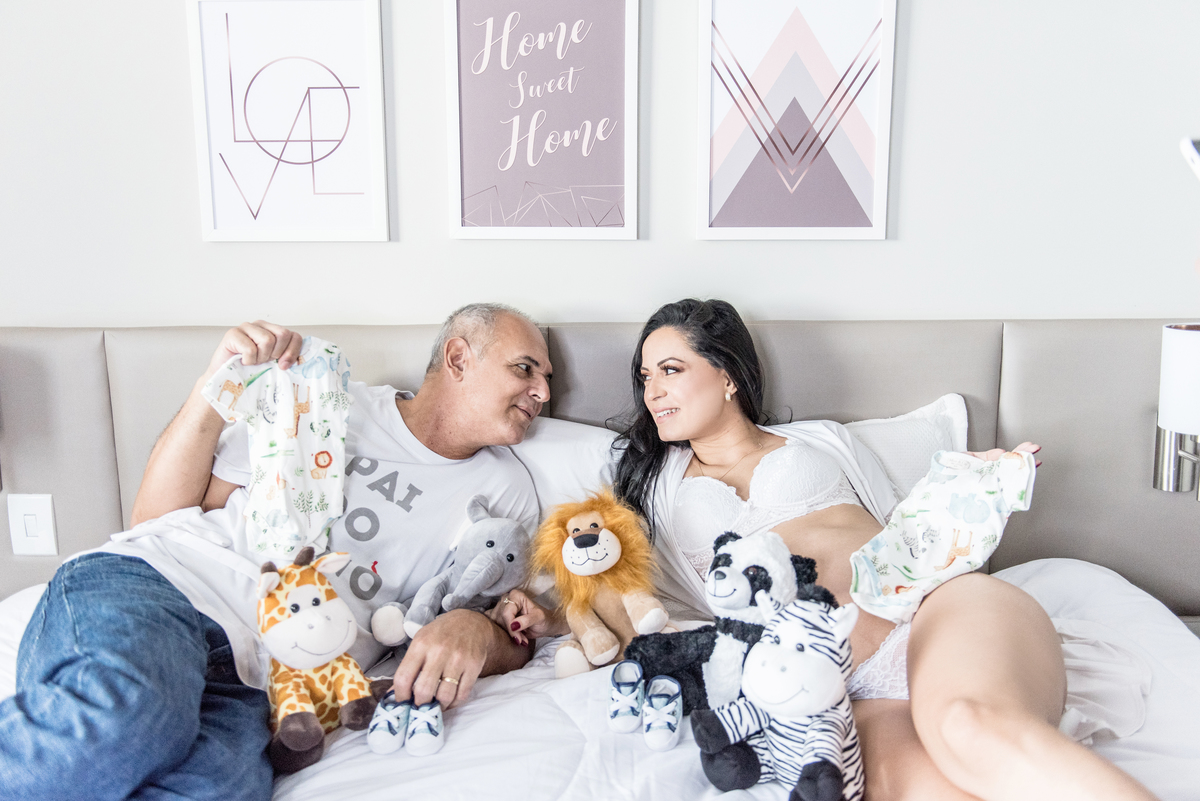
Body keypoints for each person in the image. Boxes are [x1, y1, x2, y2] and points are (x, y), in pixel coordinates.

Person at [512, 298, 1154, 801]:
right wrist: (554, 615)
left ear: (727, 375)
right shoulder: (651, 489)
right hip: (833, 688)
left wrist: (966, 486)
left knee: (971, 725)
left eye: (671, 370)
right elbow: (621, 586)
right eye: (646, 376)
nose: (652, 390)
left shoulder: (820, 441)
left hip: (933, 612)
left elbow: (906, 520)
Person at [0, 303, 554, 801]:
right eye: (525, 369)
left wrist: (473, 626)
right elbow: (154, 519)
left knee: (217, 789)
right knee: (128, 716)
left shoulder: (507, 493)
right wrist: (215, 389)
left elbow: (514, 628)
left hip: (257, 682)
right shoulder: (326, 402)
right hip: (172, 588)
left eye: (546, 378)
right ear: (457, 359)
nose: (543, 393)